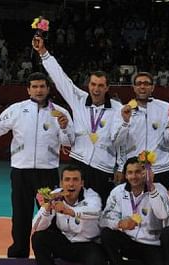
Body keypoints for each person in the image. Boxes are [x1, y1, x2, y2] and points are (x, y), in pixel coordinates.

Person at [0, 72, 74, 258]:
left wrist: (66, 127)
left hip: (47, 172)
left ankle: (52, 253)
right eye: (34, 86)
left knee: (50, 215)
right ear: (28, 90)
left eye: (42, 86)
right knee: (20, 215)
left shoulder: (60, 113)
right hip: (21, 171)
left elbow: (68, 143)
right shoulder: (16, 110)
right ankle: (19, 253)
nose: (39, 90)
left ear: (48, 89)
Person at [32, 35, 124, 207]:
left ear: (107, 88)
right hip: (78, 163)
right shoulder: (78, 100)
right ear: (88, 85)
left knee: (100, 209)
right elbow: (61, 79)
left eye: (100, 85)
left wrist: (121, 167)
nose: (96, 89)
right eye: (93, 84)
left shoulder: (118, 109)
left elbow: (123, 141)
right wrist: (43, 53)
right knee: (70, 205)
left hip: (103, 167)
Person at [31, 165, 106, 265]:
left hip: (88, 244)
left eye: (75, 179)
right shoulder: (54, 196)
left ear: (82, 183)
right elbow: (36, 227)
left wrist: (69, 211)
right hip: (65, 242)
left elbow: (95, 212)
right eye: (67, 180)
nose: (71, 184)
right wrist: (47, 210)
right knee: (38, 238)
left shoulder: (92, 196)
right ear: (61, 183)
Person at [99, 157, 169, 265]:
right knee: (107, 234)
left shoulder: (159, 189)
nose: (134, 176)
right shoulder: (118, 192)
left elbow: (163, 215)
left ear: (145, 172)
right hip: (128, 242)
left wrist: (151, 187)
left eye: (138, 172)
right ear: (125, 175)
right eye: (130, 172)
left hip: (152, 244)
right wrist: (119, 224)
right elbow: (104, 219)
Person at [117, 72, 169, 189]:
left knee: (159, 206)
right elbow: (120, 143)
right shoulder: (125, 110)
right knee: (133, 206)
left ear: (152, 87)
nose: (142, 86)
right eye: (139, 83)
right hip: (134, 170)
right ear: (134, 87)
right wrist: (121, 167)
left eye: (146, 83)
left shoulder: (166, 108)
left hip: (160, 168)